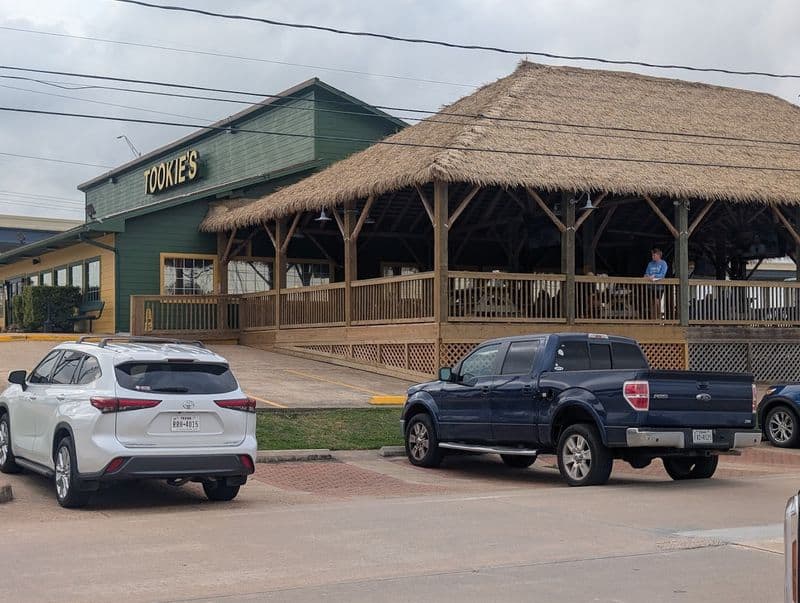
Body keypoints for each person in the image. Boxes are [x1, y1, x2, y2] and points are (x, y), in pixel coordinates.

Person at [644, 248, 668, 319]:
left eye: (654, 255)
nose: (652, 257)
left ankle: (658, 318)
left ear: (658, 255)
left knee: (657, 302)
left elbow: (662, 275)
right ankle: (653, 319)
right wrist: (648, 276)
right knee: (652, 303)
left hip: (659, 287)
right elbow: (646, 273)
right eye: (652, 255)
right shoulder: (650, 264)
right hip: (650, 287)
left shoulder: (663, 263)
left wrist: (654, 276)